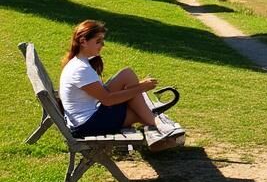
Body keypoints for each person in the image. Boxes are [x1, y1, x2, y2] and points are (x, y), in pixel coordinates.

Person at [57, 21, 180, 149]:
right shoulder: (80, 69)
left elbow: (102, 94)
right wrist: (141, 88)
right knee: (138, 111)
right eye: (98, 41)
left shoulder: (79, 63)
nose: (102, 45)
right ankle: (160, 129)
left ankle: (158, 131)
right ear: (83, 41)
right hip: (87, 125)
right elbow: (108, 100)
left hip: (88, 119)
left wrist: (138, 87)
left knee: (127, 75)